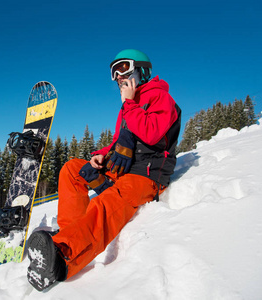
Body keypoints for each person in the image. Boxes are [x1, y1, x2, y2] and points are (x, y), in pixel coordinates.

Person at [26, 49, 181, 291]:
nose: (119, 77)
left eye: (124, 69)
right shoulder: (129, 105)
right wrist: (102, 155)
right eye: (114, 72)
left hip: (146, 175)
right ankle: (70, 232)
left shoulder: (161, 98)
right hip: (122, 169)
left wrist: (129, 103)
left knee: (107, 202)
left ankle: (61, 255)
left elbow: (151, 132)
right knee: (72, 169)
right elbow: (120, 140)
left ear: (142, 70)